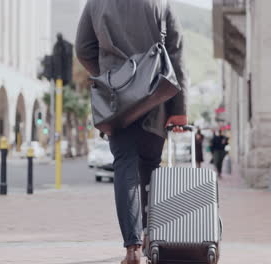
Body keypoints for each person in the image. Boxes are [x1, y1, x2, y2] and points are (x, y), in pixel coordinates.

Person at [75, 1, 188, 264]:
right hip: (156, 97)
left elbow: (83, 49)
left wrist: (109, 77)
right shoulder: (162, 3)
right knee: (150, 166)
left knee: (125, 164)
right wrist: (179, 109)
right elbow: (177, 54)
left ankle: (132, 249)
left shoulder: (96, 3)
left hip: (118, 101)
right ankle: (151, 237)